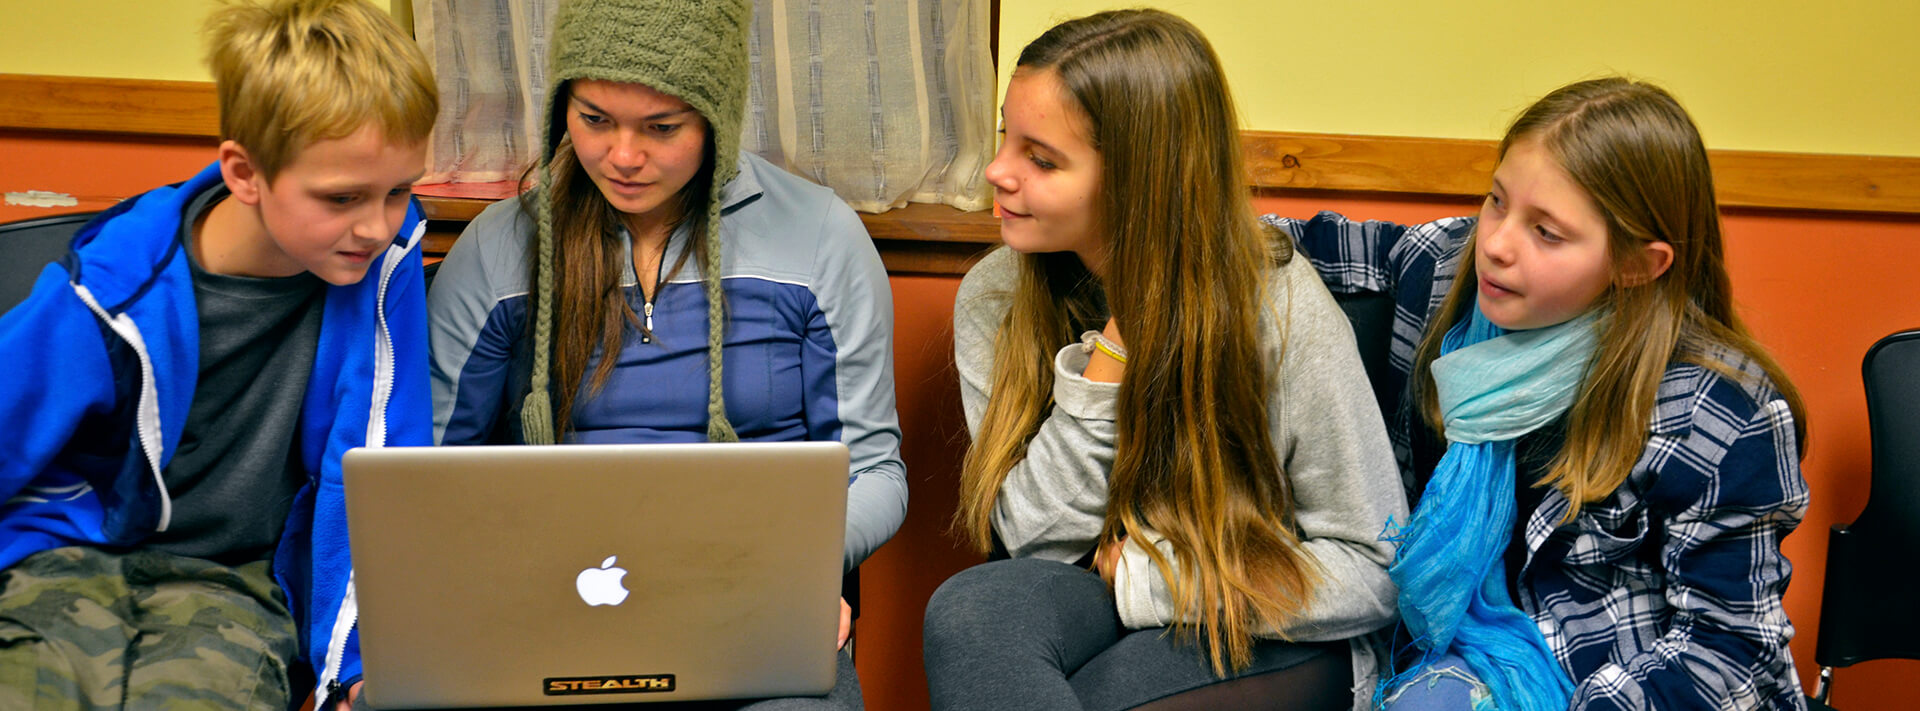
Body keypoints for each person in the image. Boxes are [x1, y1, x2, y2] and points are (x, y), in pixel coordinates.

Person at [1271, 77, 1810, 710]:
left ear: (1639, 264)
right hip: (1441, 654)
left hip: (1605, 683)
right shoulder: (1449, 271)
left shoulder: (1721, 413)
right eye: (1497, 201)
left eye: (1547, 233)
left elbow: (1730, 649)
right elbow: (1283, 245)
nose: (1496, 244)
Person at [921, 9, 1406, 711]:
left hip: (1269, 625)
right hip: (1093, 589)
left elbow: (1377, 568)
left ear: (1140, 182)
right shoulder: (995, 295)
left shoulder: (1280, 304)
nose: (996, 171)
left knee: (1104, 693)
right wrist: (1116, 350)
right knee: (972, 609)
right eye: (1005, 136)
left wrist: (1156, 580)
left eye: (1042, 158)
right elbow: (1033, 542)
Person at [424, 0, 904, 707]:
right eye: (593, 120)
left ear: (717, 116)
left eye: (661, 127)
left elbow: (875, 470)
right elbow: (430, 475)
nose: (622, 156)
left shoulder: (822, 237)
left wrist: (786, 573)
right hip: (551, 606)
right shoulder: (500, 250)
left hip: (750, 602)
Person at [0, 1, 437, 709]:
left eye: (399, 191)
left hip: (234, 585)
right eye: (342, 197)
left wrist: (357, 665)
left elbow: (381, 469)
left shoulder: (384, 268)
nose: (376, 224)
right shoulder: (112, 286)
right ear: (244, 172)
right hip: (59, 560)